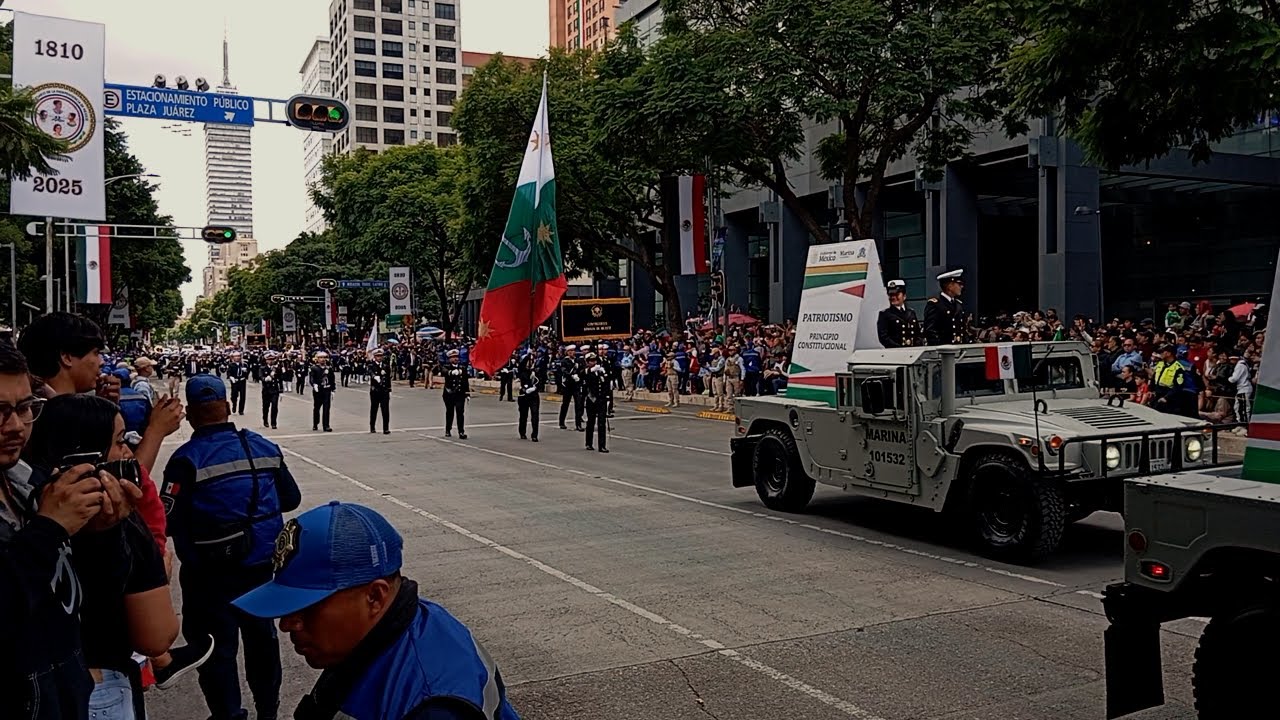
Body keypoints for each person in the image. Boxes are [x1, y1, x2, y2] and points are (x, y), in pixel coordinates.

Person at [232, 502, 522, 720]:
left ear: (375, 596)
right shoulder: (395, 629)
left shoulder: (431, 703)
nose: (287, 624)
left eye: (307, 607)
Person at [23, 394, 182, 720]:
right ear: (85, 453)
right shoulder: (113, 518)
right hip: (100, 683)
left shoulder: (26, 499)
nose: (128, 453)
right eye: (120, 442)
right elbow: (157, 635)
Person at [160, 375, 302, 720]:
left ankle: (228, 715)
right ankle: (268, 712)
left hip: (208, 576)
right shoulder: (263, 447)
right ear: (226, 407)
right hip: (261, 569)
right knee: (262, 642)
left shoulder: (185, 460)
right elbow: (291, 498)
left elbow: (168, 520)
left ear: (191, 415)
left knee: (215, 650)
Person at [0, 342, 106, 720]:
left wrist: (104, 531)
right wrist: (48, 529)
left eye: (24, 408)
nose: (14, 427)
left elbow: (90, 595)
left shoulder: (32, 484)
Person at [923, 268, 970, 345]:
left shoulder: (958, 305)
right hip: (943, 351)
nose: (961, 287)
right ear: (950, 286)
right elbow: (930, 331)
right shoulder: (935, 305)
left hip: (959, 348)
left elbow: (963, 330)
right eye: (959, 284)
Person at [877, 280, 922, 348]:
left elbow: (918, 333)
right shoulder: (885, 314)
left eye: (897, 294)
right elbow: (884, 338)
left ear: (904, 296)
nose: (893, 297)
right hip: (895, 353)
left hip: (913, 351)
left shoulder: (911, 312)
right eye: (891, 295)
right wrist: (899, 348)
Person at [583, 352, 611, 453]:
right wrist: (591, 372)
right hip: (592, 400)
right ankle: (589, 443)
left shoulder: (600, 371)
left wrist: (607, 398)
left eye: (595, 360)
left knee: (601, 423)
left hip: (601, 400)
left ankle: (602, 445)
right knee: (591, 422)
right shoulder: (586, 371)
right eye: (591, 361)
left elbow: (606, 385)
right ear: (587, 362)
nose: (593, 362)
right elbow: (585, 379)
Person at [442, 349, 469, 439]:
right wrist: (451, 372)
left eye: (456, 357)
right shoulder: (446, 366)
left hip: (460, 394)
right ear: (449, 359)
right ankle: (448, 429)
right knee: (450, 412)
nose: (455, 359)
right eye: (453, 357)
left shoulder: (462, 368)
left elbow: (465, 381)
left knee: (460, 412)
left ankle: (461, 431)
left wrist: (467, 393)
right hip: (449, 394)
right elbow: (444, 371)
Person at [558, 345, 584, 431]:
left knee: (579, 404)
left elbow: (582, 369)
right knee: (565, 404)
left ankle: (578, 424)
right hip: (568, 385)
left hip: (576, 385)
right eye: (569, 351)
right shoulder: (564, 361)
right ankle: (561, 422)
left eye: (573, 351)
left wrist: (579, 375)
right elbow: (564, 371)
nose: (571, 352)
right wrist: (572, 375)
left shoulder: (578, 360)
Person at [517, 351, 541, 442]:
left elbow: (540, 381)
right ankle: (522, 432)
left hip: (534, 395)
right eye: (528, 361)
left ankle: (534, 434)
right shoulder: (522, 371)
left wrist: (535, 388)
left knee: (535, 415)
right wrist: (528, 355)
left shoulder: (535, 371)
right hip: (524, 395)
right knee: (523, 415)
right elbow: (521, 367)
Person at [368, 348, 392, 435]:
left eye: (381, 356)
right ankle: (372, 427)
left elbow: (388, 378)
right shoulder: (371, 365)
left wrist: (389, 389)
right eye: (377, 356)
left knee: (385, 410)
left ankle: (386, 428)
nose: (379, 357)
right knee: (374, 409)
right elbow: (370, 372)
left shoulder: (386, 366)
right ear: (374, 357)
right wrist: (374, 376)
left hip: (384, 391)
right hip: (375, 391)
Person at [310, 351, 335, 432]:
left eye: (324, 358)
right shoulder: (314, 368)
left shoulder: (329, 368)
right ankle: (315, 423)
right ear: (317, 359)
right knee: (317, 408)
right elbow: (312, 378)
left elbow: (332, 379)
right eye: (321, 358)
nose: (323, 359)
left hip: (327, 390)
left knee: (326, 408)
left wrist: (333, 389)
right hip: (318, 390)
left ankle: (326, 425)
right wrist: (314, 385)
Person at [260, 352, 283, 430]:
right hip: (266, 390)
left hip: (274, 391)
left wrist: (281, 391)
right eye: (269, 360)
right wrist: (265, 379)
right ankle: (265, 420)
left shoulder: (277, 368)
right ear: (266, 360)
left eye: (272, 359)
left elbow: (280, 379)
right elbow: (261, 377)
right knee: (266, 407)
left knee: (274, 407)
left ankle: (274, 423)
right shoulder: (263, 368)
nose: (271, 361)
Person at [226, 351, 250, 416]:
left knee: (242, 396)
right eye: (236, 356)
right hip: (235, 381)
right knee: (234, 396)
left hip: (242, 381)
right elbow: (228, 373)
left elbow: (248, 371)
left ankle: (241, 410)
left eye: (239, 356)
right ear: (233, 357)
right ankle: (234, 405)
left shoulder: (244, 364)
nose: (237, 358)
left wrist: (246, 372)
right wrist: (231, 377)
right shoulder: (231, 365)